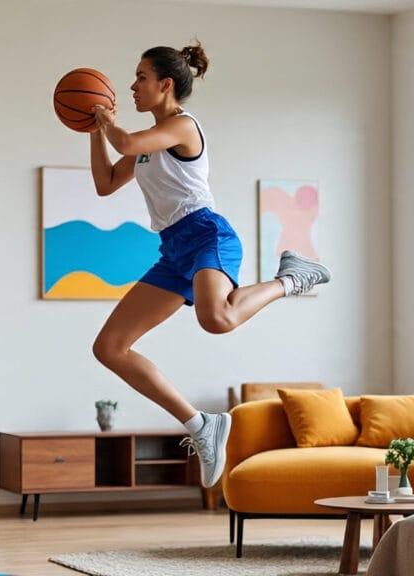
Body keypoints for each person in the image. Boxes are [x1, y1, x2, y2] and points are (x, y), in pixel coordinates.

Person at [87, 42, 331, 489]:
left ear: (165, 84)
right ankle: (201, 425)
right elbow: (105, 183)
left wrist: (104, 118)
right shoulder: (144, 147)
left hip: (206, 235)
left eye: (140, 77)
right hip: (173, 248)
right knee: (109, 348)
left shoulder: (181, 126)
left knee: (216, 320)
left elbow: (122, 138)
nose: (132, 86)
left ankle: (291, 278)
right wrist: (91, 129)